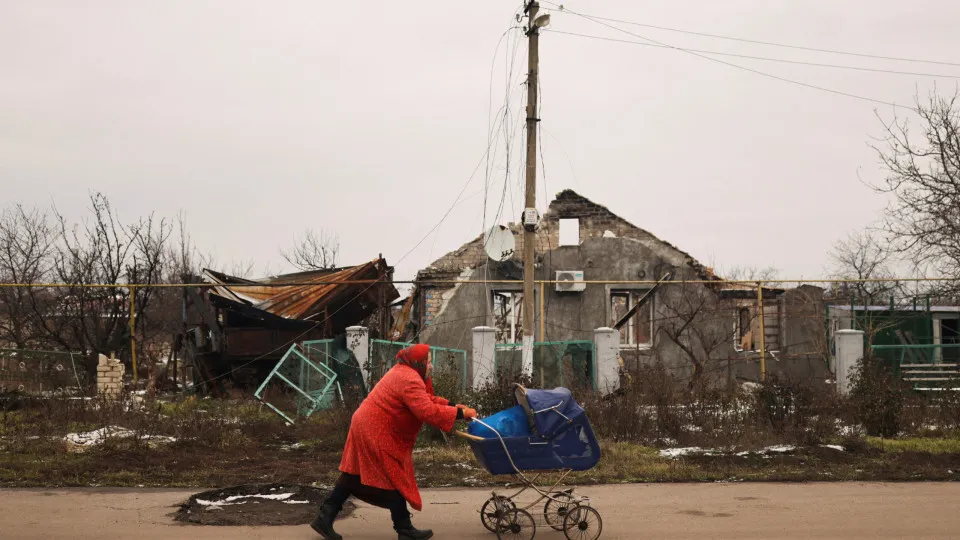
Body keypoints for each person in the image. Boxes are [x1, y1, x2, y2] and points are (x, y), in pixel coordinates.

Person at [311, 343, 477, 540]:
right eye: (429, 362)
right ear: (418, 362)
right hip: (375, 429)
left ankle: (325, 517)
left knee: (353, 475)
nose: (431, 366)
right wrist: (459, 413)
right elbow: (426, 410)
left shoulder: (405, 371)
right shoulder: (410, 378)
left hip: (367, 424)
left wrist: (453, 406)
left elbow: (426, 399)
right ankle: (404, 529)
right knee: (393, 476)